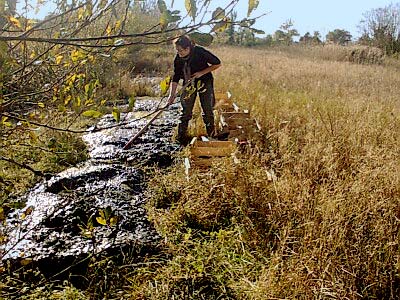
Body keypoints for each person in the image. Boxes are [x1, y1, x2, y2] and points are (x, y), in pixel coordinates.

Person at [167, 35, 221, 145]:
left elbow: (217, 63)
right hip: (188, 84)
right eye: (177, 50)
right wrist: (171, 95)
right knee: (185, 111)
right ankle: (181, 137)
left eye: (181, 50)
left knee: (207, 110)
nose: (179, 53)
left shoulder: (200, 52)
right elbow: (176, 77)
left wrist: (201, 73)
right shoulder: (178, 59)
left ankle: (211, 136)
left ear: (188, 48)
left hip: (204, 82)